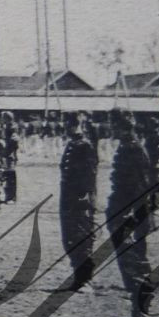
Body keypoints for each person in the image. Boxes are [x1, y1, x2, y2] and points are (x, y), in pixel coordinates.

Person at [105, 108, 159, 317]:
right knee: (128, 263)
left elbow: (142, 186)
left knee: (135, 263)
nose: (110, 128)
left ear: (121, 125)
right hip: (122, 212)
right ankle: (136, 315)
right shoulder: (127, 147)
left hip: (132, 215)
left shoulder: (135, 149)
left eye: (113, 123)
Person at [57, 111, 98, 291]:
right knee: (69, 238)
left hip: (80, 200)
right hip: (68, 197)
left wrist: (83, 201)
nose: (66, 127)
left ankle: (85, 279)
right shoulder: (72, 144)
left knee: (82, 237)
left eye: (70, 124)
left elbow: (89, 176)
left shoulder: (85, 146)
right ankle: (77, 276)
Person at [0, 111, 20, 203]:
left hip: (10, 154)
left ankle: (11, 197)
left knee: (10, 176)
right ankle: (8, 196)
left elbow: (14, 142)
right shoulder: (6, 127)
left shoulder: (13, 127)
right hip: (6, 153)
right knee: (7, 176)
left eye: (3, 117)